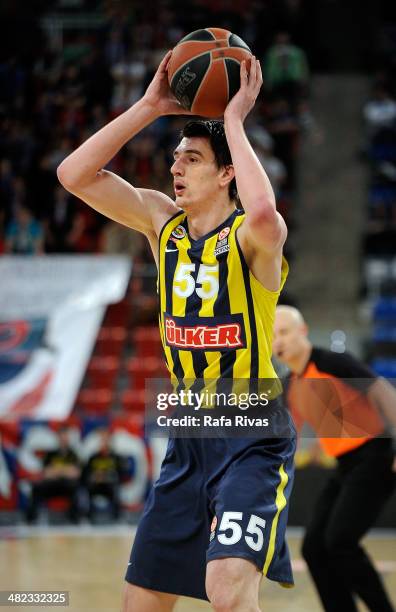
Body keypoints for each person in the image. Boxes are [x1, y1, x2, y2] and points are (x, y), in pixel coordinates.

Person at [58, 52, 296, 612]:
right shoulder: (161, 225)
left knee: (228, 592)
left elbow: (267, 217)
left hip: (250, 432)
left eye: (191, 158)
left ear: (227, 172)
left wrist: (234, 121)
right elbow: (73, 176)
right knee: (140, 603)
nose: (176, 168)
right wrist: (149, 105)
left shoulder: (249, 240)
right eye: (175, 158)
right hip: (188, 437)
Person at [273, 305, 396, 612]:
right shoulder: (289, 385)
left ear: (302, 332)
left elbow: (382, 391)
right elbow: (289, 434)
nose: (278, 342)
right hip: (345, 466)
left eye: (284, 332)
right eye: (271, 336)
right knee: (314, 548)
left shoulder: (332, 362)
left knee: (340, 541)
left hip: (375, 457)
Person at [26, 426, 81, 524]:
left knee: (76, 488)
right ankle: (31, 519)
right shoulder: (50, 454)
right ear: (58, 437)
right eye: (61, 436)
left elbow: (75, 473)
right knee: (36, 488)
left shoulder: (73, 454)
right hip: (51, 485)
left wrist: (56, 470)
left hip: (66, 485)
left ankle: (74, 519)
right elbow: (46, 473)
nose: (64, 438)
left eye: (66, 436)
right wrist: (66, 470)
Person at [81, 428, 124, 521]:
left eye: (106, 439)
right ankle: (87, 518)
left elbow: (121, 474)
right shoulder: (93, 457)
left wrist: (105, 476)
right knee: (86, 489)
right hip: (95, 485)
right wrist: (95, 476)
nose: (104, 442)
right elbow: (86, 474)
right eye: (102, 439)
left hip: (110, 485)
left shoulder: (116, 457)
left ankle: (116, 519)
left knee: (116, 490)